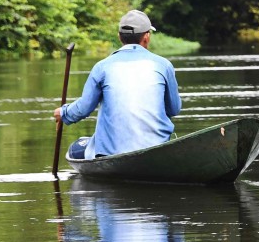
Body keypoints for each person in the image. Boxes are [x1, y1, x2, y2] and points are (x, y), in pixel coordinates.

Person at [54, 9, 182, 159]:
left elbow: (83, 108)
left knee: (76, 149)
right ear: (147, 37)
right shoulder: (163, 65)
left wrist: (63, 113)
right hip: (157, 148)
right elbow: (174, 109)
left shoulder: (102, 67)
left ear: (119, 37)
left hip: (111, 152)